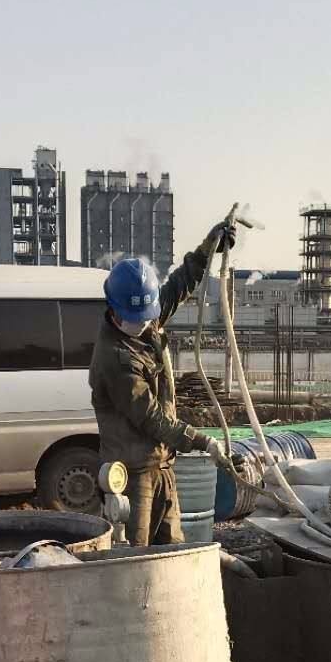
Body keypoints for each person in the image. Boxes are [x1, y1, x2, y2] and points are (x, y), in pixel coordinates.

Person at [90, 221, 234, 545]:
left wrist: (209, 248)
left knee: (172, 551)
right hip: (132, 474)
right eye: (136, 320)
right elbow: (151, 418)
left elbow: (180, 284)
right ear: (114, 312)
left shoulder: (144, 320)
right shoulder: (115, 358)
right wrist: (202, 441)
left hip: (162, 464)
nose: (144, 326)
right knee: (133, 556)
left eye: (147, 318)